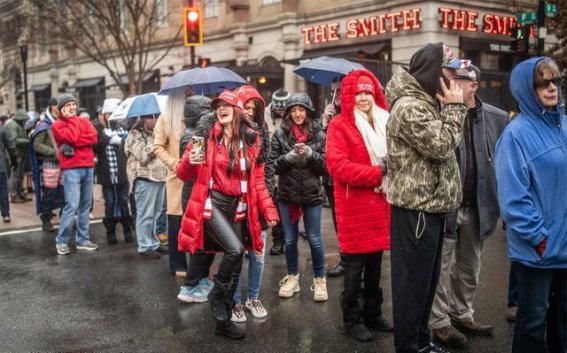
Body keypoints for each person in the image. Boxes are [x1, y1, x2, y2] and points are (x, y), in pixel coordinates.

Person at [176, 90, 279, 339]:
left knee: (236, 261)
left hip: (239, 207)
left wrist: (269, 209)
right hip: (212, 205)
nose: (221, 108)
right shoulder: (204, 138)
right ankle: (217, 298)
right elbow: (182, 173)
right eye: (217, 105)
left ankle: (222, 321)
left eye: (226, 104)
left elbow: (258, 183)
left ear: (237, 110)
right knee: (234, 250)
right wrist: (191, 159)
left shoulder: (252, 141)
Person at [385, 42, 466, 353]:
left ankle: (422, 342)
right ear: (433, 71)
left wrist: (452, 107)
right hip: (415, 212)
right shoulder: (410, 107)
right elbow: (443, 146)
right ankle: (409, 347)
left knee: (426, 286)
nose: (452, 79)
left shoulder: (427, 102)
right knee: (411, 287)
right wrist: (455, 108)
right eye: (448, 71)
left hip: (432, 209)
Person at [428, 63, 508, 348]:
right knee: (441, 267)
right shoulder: (439, 112)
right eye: (449, 78)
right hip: (447, 205)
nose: (451, 84)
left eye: (458, 80)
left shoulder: (497, 118)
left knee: (470, 266)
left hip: (478, 206)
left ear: (473, 85)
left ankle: (463, 313)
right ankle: (440, 322)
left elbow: (503, 162)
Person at [495, 56, 567, 353]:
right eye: (542, 83)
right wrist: (539, 239)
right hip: (537, 249)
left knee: (562, 319)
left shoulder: (563, 124)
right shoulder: (515, 134)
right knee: (533, 321)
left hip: (563, 245)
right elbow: (514, 198)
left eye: (556, 81)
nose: (552, 88)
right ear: (527, 88)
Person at [326, 69, 393, 341]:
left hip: (380, 204)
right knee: (355, 266)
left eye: (367, 92)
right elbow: (337, 166)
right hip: (355, 206)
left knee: (376, 263)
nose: (363, 97)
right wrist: (378, 173)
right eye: (358, 93)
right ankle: (351, 318)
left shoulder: (384, 121)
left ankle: (372, 313)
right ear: (349, 96)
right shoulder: (339, 125)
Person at [269, 93, 328, 301]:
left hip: (312, 194)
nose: (297, 114)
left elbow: (326, 167)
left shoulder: (319, 134)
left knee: (314, 238)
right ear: (288, 113)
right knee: (290, 239)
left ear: (308, 111)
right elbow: (272, 165)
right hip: (287, 195)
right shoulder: (280, 134)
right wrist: (288, 158)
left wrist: (312, 155)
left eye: (301, 109)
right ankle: (292, 277)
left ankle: (320, 279)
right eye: (293, 110)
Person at [230, 85, 272, 322]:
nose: (248, 113)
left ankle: (253, 297)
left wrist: (268, 203)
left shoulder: (262, 134)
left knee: (258, 253)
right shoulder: (227, 134)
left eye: (252, 109)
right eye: (244, 107)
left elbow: (267, 170)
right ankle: (235, 301)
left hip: (257, 201)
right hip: (234, 203)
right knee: (235, 255)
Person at [177, 95, 215, 303]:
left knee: (207, 241)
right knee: (199, 242)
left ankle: (201, 280)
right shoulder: (193, 137)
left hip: (200, 194)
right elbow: (196, 166)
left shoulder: (197, 134)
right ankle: (190, 286)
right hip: (195, 196)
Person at [52, 93, 99, 255]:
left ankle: (82, 239)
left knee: (85, 205)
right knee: (72, 205)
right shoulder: (57, 125)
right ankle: (62, 241)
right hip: (71, 168)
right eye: (68, 105)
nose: (72, 107)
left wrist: (76, 140)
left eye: (73, 104)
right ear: (61, 109)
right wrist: (72, 123)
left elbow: (93, 138)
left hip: (88, 166)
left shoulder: (84, 120)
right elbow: (71, 137)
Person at [153, 88, 190, 276]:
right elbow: (157, 147)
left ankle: (195, 263)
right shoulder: (165, 119)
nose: (188, 96)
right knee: (175, 221)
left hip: (195, 175)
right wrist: (173, 163)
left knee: (196, 219)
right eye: (186, 93)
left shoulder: (193, 116)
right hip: (176, 177)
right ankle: (177, 264)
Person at [125, 114, 168, 258]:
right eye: (152, 118)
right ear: (144, 119)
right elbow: (142, 156)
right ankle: (144, 245)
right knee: (145, 214)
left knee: (156, 213)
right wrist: (156, 142)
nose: (155, 121)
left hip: (160, 177)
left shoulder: (155, 133)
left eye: (157, 117)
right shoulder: (134, 134)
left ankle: (153, 243)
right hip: (145, 178)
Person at [93, 98, 134, 244]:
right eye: (107, 113)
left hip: (121, 172)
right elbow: (95, 147)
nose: (109, 116)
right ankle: (110, 232)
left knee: (123, 201)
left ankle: (127, 230)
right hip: (107, 172)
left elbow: (129, 146)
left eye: (112, 113)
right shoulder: (97, 128)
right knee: (110, 202)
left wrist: (121, 140)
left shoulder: (122, 127)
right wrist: (106, 138)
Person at [322, 80, 346, 277]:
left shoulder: (350, 113)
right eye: (332, 91)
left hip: (346, 176)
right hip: (330, 178)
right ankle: (344, 258)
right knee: (337, 220)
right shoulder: (329, 114)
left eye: (339, 91)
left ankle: (352, 260)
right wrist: (324, 124)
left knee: (348, 220)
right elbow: (322, 148)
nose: (335, 94)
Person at [30, 98, 65, 232]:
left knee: (63, 192)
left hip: (63, 163)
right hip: (50, 163)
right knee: (49, 193)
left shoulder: (61, 122)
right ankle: (46, 220)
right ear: (52, 107)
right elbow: (37, 145)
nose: (60, 109)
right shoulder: (44, 125)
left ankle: (64, 219)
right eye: (58, 107)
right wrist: (53, 152)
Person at [264, 88, 290, 256]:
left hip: (288, 166)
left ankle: (289, 240)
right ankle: (277, 240)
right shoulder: (265, 114)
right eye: (278, 109)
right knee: (275, 206)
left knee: (288, 207)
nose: (281, 112)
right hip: (270, 167)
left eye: (283, 109)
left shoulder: (293, 113)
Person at [6, 109, 32, 203]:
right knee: (15, 175)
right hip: (16, 154)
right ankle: (13, 195)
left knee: (20, 175)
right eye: (24, 119)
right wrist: (28, 140)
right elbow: (14, 140)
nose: (25, 121)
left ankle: (20, 193)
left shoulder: (19, 125)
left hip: (21, 153)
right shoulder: (12, 125)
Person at [0, 119, 18, 222]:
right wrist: (14, 160)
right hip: (1, 165)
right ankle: (5, 214)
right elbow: (11, 146)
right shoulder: (2, 129)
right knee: (2, 189)